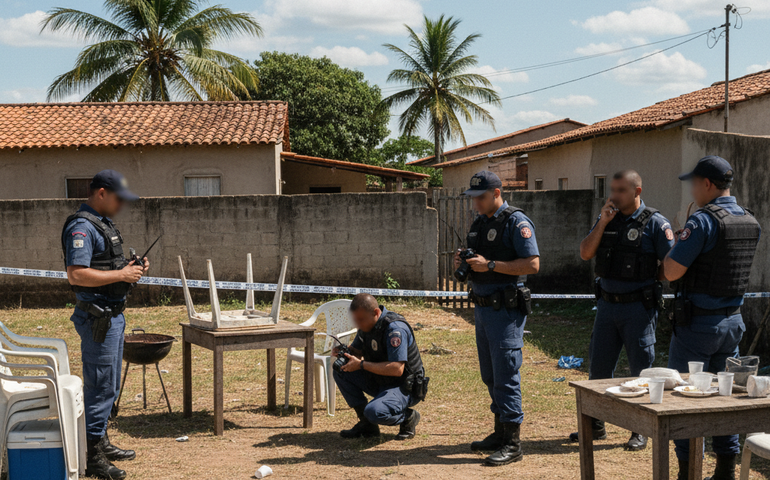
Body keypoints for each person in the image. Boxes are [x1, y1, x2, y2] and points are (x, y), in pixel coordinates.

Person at [663, 156, 761, 480]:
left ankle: (687, 472)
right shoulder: (750, 220)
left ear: (706, 184)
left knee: (686, 399)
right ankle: (724, 471)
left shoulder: (702, 221)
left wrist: (678, 242)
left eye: (693, 183)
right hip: (733, 322)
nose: (691, 190)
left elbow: (672, 272)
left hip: (698, 325)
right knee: (725, 397)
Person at [568, 170, 675, 451]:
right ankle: (596, 424)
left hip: (638, 308)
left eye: (620, 190)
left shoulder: (655, 223)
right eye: (612, 190)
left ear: (637, 191)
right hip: (607, 306)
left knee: (642, 371)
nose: (613, 195)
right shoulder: (606, 218)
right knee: (599, 368)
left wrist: (651, 279)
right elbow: (585, 253)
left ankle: (641, 429)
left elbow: (671, 265)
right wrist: (602, 222)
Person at [62, 170, 149, 480]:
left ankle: (102, 438)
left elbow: (107, 267)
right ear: (100, 193)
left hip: (112, 314)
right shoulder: (82, 227)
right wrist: (121, 275)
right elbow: (77, 274)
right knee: (100, 386)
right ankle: (91, 456)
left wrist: (130, 269)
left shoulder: (104, 225)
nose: (121, 206)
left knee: (109, 385)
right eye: (118, 199)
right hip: (97, 317)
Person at [453, 171, 540, 467]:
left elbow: (532, 264)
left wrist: (490, 264)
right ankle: (500, 432)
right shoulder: (480, 223)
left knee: (506, 375)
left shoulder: (517, 222)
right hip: (483, 309)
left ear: (497, 193)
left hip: (505, 310)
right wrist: (466, 261)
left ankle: (513, 443)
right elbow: (479, 259)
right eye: (473, 198)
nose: (475, 203)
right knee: (490, 375)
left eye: (481, 197)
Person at [332, 293, 427, 441]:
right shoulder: (367, 325)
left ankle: (408, 417)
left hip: (404, 387)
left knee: (374, 412)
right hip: (380, 380)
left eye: (361, 320)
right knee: (342, 370)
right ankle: (367, 425)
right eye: (356, 320)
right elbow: (357, 351)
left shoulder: (395, 329)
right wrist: (345, 353)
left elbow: (397, 369)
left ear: (376, 313)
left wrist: (361, 365)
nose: (358, 325)